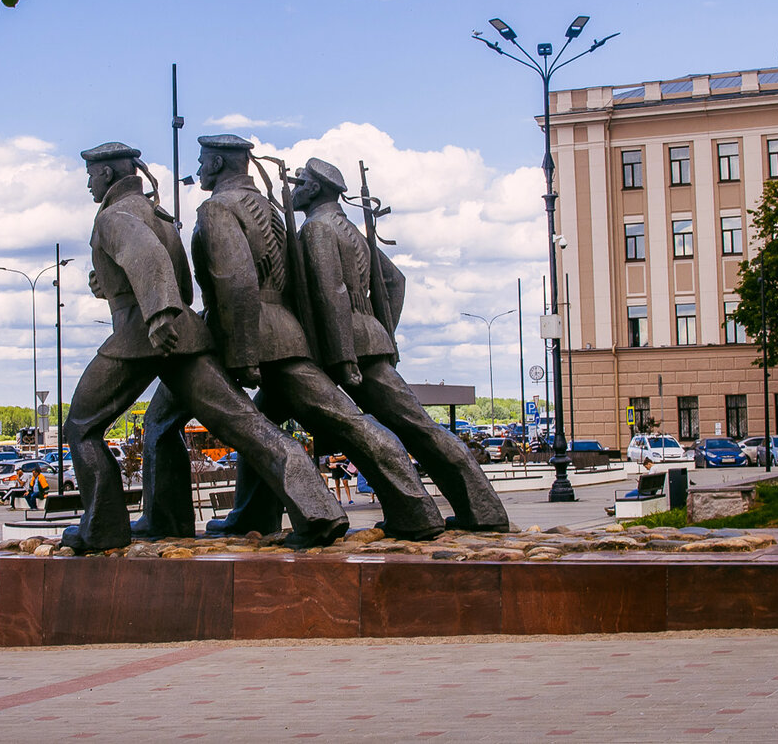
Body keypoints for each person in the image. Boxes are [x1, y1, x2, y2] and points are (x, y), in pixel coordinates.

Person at [138, 135, 445, 541]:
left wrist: (244, 354)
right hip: (284, 332)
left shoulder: (217, 209)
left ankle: (169, 520)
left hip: (242, 334)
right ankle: (253, 515)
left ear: (218, 163)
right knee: (331, 421)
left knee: (163, 419)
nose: (199, 167)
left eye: (203, 159)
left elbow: (238, 282)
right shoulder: (274, 211)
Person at [62, 141, 346, 552]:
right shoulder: (157, 213)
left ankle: (102, 527)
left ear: (106, 174)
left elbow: (148, 257)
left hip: (141, 336)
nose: (89, 183)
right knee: (234, 422)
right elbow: (168, 274)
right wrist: (110, 287)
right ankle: (315, 509)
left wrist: (157, 314)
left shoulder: (115, 214)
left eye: (91, 174)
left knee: (81, 427)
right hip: (187, 334)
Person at [293, 157, 510, 531]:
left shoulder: (316, 229)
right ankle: (481, 509)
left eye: (300, 181)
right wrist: (381, 328)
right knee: (419, 427)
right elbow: (395, 281)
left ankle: (423, 513)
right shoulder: (350, 230)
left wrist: (344, 353)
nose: (295, 187)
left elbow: (333, 293)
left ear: (314, 188)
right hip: (369, 338)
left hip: (344, 348)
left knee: (407, 428)